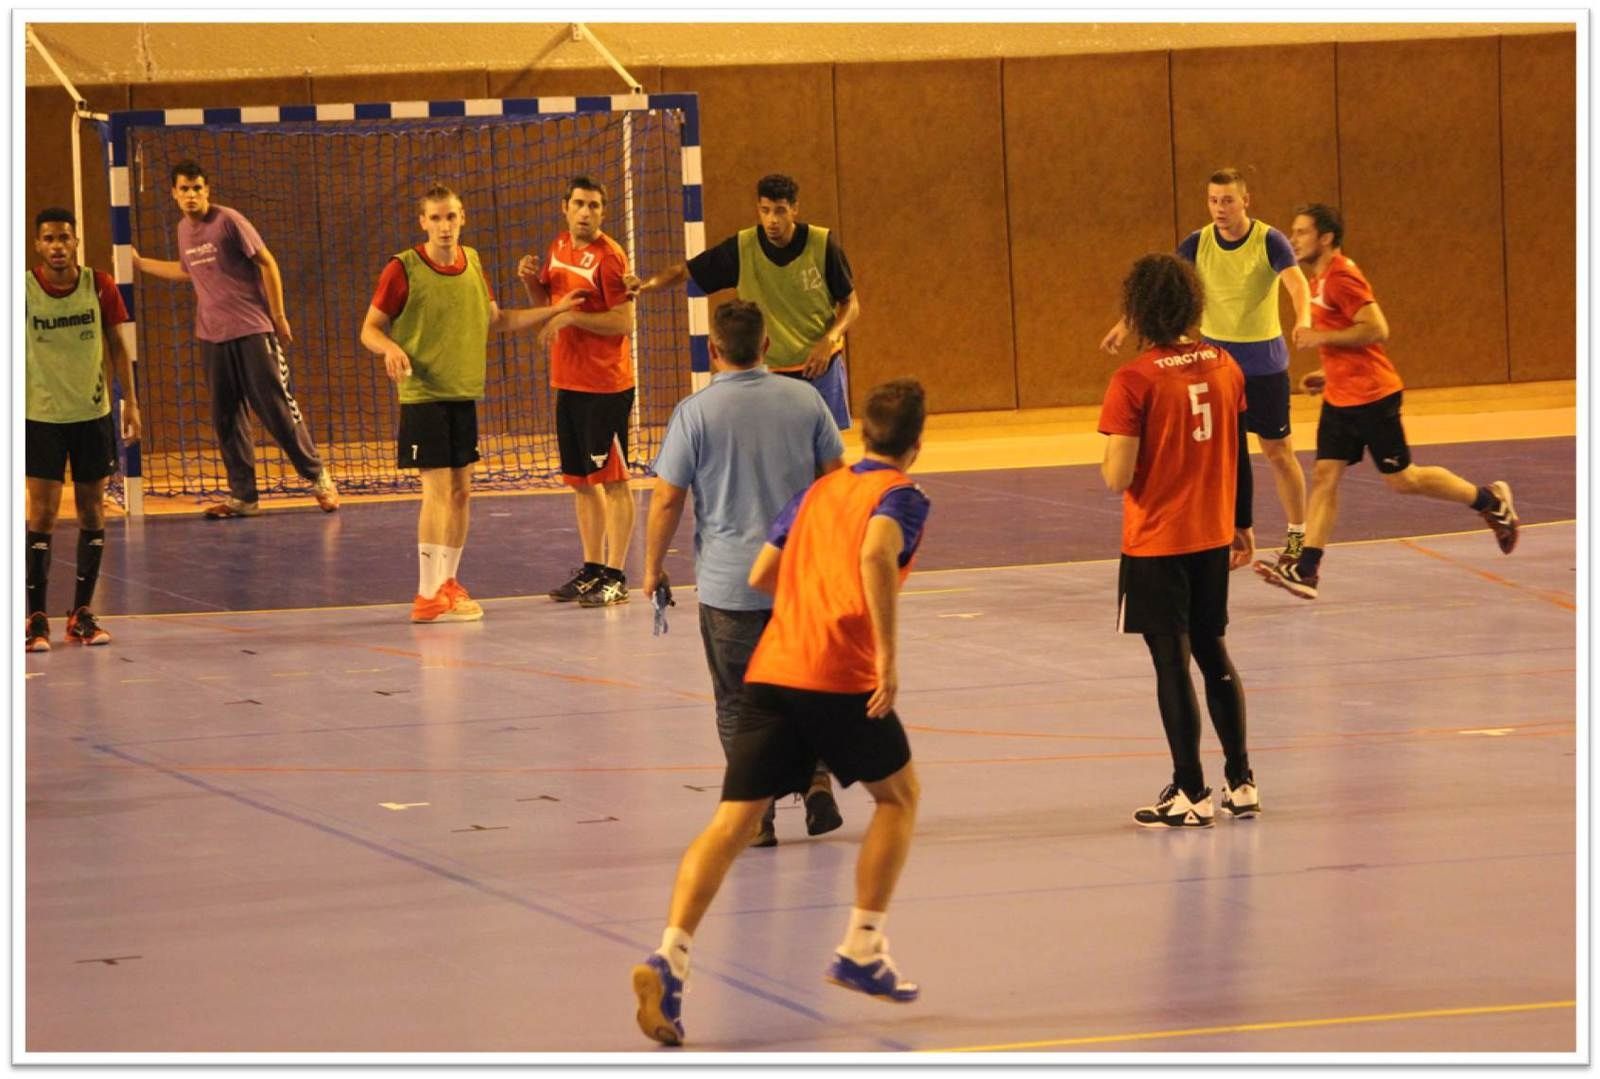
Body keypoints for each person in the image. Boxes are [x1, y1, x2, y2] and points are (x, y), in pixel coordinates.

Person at [631, 378, 931, 1047]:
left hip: (774, 665)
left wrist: (808, 594)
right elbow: (876, 552)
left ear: (863, 434)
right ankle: (862, 945)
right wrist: (886, 655)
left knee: (733, 821)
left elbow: (763, 574)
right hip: (838, 672)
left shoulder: (817, 493)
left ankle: (670, 955)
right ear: (916, 442)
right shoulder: (902, 496)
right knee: (900, 797)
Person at [643, 300, 847, 848]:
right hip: (798, 580)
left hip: (729, 586)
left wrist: (653, 566)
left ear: (712, 350)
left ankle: (757, 815)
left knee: (738, 702)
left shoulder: (695, 413)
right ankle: (817, 779)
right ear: (766, 346)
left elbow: (667, 499)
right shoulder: (805, 400)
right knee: (807, 687)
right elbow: (837, 481)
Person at [1254, 204, 1518, 600]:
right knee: (1325, 476)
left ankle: (1490, 499)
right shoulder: (1318, 280)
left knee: (1403, 480)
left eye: (1302, 232)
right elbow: (1350, 337)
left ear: (1326, 237)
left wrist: (1321, 339)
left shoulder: (1342, 276)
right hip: (1340, 396)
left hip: (1373, 396)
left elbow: (1377, 328)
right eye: (1293, 232)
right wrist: (1329, 373)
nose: (1294, 240)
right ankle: (1306, 570)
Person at [360, 184, 582, 623]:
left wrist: (555, 309)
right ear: (423, 222)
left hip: (463, 394)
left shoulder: (473, 262)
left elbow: (497, 320)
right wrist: (389, 348)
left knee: (461, 493)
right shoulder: (402, 268)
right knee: (438, 492)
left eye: (451, 217)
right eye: (436, 218)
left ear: (462, 218)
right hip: (424, 396)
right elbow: (369, 328)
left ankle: (447, 583)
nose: (445, 226)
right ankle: (427, 594)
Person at [1099, 253, 1258, 829]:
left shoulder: (1134, 379)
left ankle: (1190, 790)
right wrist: (1242, 522)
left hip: (1158, 540)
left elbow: (1117, 476)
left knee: (1172, 663)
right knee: (1213, 651)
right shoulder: (1225, 364)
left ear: (1139, 310)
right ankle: (1241, 781)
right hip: (1212, 533)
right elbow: (1239, 451)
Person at [1102, 167, 1311, 561]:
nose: (1220, 208)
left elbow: (1297, 283)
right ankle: (1225, 533)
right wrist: (1124, 325)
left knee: (1279, 452)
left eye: (1228, 200)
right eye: (1213, 200)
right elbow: (1161, 288)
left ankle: (1298, 541)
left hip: (1263, 365)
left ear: (1245, 201)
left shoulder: (1269, 240)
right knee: (1222, 455)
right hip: (1216, 368)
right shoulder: (1197, 243)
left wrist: (1304, 319)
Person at [131, 160, 339, 518]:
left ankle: (317, 475)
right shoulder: (182, 229)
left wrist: (278, 316)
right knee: (226, 417)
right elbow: (185, 271)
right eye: (184, 189)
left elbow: (267, 263)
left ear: (207, 190)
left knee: (276, 408)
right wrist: (140, 264)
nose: (191, 195)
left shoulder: (229, 221)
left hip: (252, 330)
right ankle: (244, 496)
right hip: (212, 337)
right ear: (174, 193)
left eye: (197, 188)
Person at [626, 173, 859, 431]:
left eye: (780, 211)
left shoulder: (822, 244)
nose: (772, 219)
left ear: (794, 209)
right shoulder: (742, 247)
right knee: (773, 445)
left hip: (820, 366)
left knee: (826, 447)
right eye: (765, 210)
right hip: (769, 372)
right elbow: (684, 271)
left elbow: (851, 304)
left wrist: (830, 338)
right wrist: (644, 286)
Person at [24, 208, 142, 651]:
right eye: (49, 238)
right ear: (38, 245)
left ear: (76, 242)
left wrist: (131, 402)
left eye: (64, 237)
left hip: (92, 414)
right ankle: (36, 619)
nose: (57, 245)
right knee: (43, 514)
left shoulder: (100, 285)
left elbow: (117, 345)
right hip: (41, 416)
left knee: (92, 511)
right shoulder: (22, 291)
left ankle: (81, 614)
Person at [519, 177, 638, 608]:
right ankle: (592, 570)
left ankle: (616, 576)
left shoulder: (610, 258)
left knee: (613, 482)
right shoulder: (557, 247)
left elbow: (624, 322)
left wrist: (574, 319)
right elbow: (550, 305)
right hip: (567, 381)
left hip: (605, 386)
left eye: (594, 205)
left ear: (603, 211)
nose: (586, 212)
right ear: (565, 207)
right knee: (583, 483)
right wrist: (530, 282)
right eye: (580, 204)